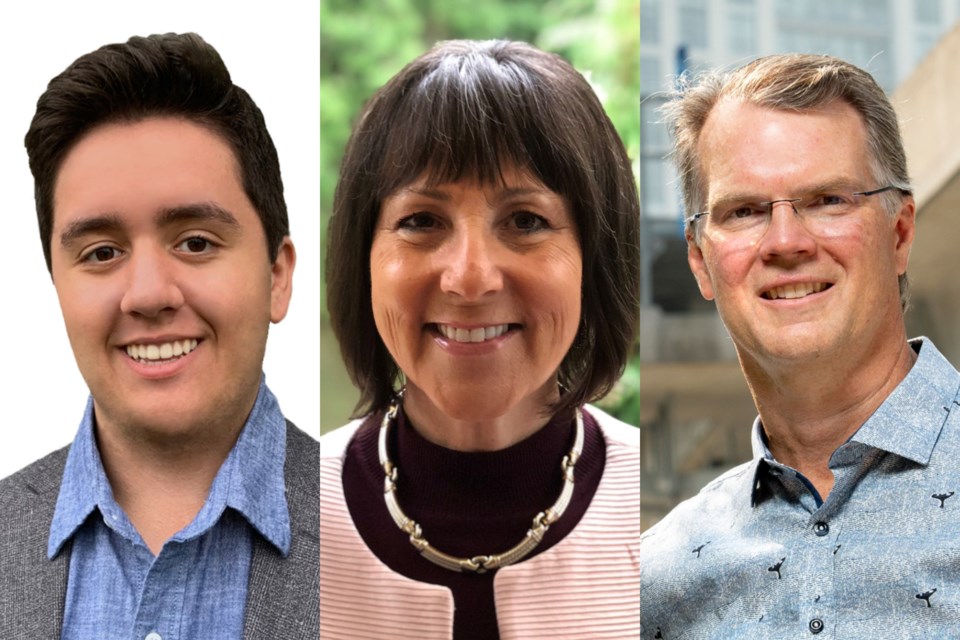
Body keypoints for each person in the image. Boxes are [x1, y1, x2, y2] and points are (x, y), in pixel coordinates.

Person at [0, 33, 318, 639]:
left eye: (195, 242)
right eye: (100, 252)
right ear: (56, 288)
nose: (147, 294)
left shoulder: (370, 533)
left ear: (277, 276)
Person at [321, 39, 640, 639]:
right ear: (362, 256)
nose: (469, 278)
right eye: (421, 221)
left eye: (525, 221)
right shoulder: (282, 528)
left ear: (595, 257)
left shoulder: (666, 525)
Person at [639, 53, 960, 637]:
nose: (786, 241)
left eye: (828, 200)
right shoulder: (658, 580)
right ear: (700, 262)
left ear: (900, 234)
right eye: (744, 211)